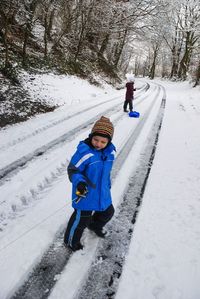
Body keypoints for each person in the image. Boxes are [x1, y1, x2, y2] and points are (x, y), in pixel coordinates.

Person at [64, 116, 116, 251]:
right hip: (84, 192)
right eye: (96, 140)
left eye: (103, 142)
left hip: (102, 192)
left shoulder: (110, 153)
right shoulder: (84, 153)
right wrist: (79, 182)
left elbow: (106, 172)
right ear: (91, 136)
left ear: (108, 142)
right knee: (81, 219)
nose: (98, 144)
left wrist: (107, 185)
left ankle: (95, 225)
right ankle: (70, 241)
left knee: (108, 212)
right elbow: (73, 170)